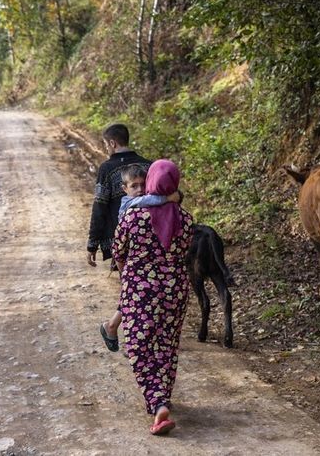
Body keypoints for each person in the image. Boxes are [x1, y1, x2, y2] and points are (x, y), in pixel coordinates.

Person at [111, 159, 194, 436]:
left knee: (138, 346)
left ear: (150, 183)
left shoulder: (132, 218)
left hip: (140, 292)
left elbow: (118, 253)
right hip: (176, 290)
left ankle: (158, 403)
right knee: (167, 344)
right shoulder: (186, 218)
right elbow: (185, 252)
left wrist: (130, 278)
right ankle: (162, 396)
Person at [99, 164, 180, 353]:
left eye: (143, 184)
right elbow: (150, 200)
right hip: (128, 257)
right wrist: (168, 197)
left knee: (132, 297)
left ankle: (113, 327)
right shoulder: (130, 203)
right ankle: (134, 343)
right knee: (134, 299)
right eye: (134, 186)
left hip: (138, 259)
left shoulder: (142, 200)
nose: (140, 189)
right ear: (124, 189)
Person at [86, 124, 150, 268]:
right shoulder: (148, 165)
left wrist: (92, 244)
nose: (106, 148)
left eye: (105, 144)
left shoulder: (107, 168)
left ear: (112, 143)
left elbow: (99, 206)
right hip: (151, 238)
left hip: (121, 239)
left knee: (129, 283)